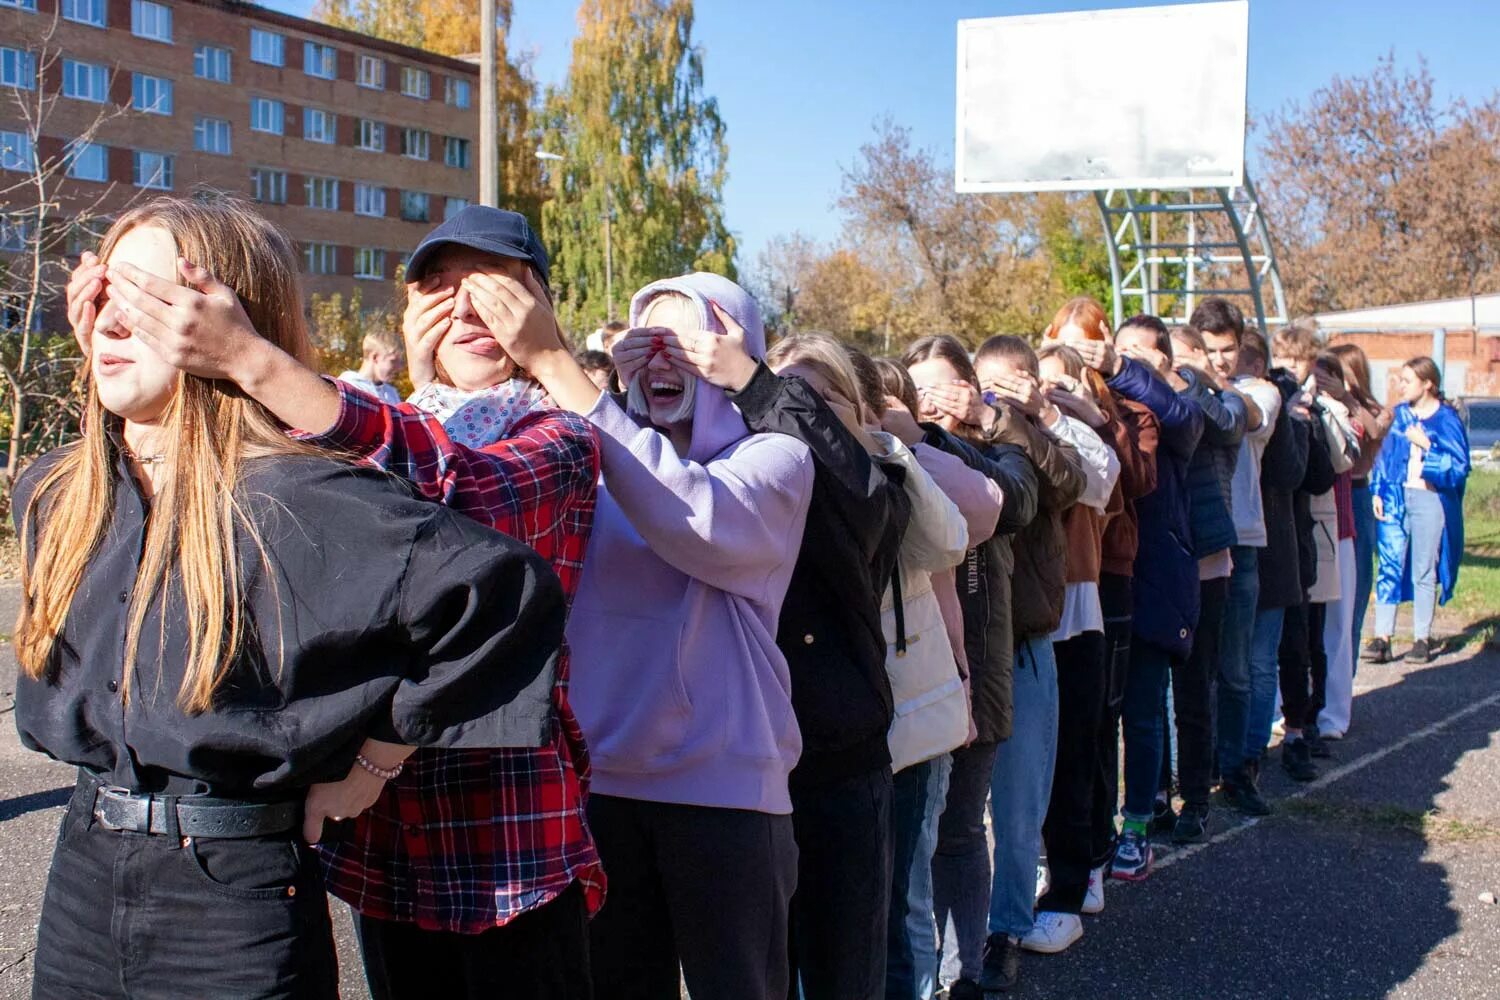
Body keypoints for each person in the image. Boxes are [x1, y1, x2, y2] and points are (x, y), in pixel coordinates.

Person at [31, 196, 570, 998]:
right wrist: (119, 354)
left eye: (151, 300)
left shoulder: (302, 497)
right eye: (109, 292)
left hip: (230, 901)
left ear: (221, 322)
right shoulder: (64, 492)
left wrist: (377, 760)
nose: (113, 317)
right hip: (82, 876)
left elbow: (498, 592)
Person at [485, 270, 816, 1000]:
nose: (660, 360)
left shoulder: (776, 460)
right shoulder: (583, 458)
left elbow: (692, 515)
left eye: (685, 341)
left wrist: (556, 366)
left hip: (728, 795)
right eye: (643, 341)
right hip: (601, 788)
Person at [844, 346, 1001, 1000]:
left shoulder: (907, 464)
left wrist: (908, 437)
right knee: (854, 901)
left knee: (905, 892)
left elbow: (982, 510)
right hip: (850, 721)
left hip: (920, 704)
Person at [902, 335, 1038, 1000]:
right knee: (919, 843)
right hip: (923, 676)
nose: (931, 406)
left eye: (943, 390)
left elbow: (1016, 496)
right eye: (916, 390)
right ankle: (932, 974)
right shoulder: (903, 454)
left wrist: (989, 421)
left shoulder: (997, 456)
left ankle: (969, 973)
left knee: (959, 829)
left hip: (981, 672)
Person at [1074, 315, 1203, 883]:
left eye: (1135, 353)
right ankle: (1096, 823)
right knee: (1099, 711)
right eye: (1115, 348)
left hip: (1154, 576)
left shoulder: (1169, 408)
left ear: (1164, 363)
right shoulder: (1095, 402)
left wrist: (1121, 369)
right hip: (1100, 574)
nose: (1117, 357)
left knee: (1143, 712)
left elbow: (1184, 418)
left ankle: (1138, 827)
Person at [1041, 298, 1158, 915]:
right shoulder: (1032, 407)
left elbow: (1130, 481)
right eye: (1062, 343)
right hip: (1049, 582)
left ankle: (1096, 850)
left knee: (1096, 721)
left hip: (1105, 573)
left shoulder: (1126, 411)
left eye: (1085, 348)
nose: (1070, 361)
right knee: (1056, 731)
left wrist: (1090, 413)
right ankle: (1065, 851)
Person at [1008, 342, 1120, 958]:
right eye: (1029, 381)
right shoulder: (998, 427)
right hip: (1018, 614)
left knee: (1074, 757)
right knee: (1026, 771)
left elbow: (1103, 478)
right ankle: (1045, 879)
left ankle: (1072, 892)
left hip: (1075, 613)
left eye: (1053, 382)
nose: (1036, 391)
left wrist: (1052, 415)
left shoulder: (1078, 435)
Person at [1195, 300, 1281, 816]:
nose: (1220, 359)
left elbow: (1246, 417)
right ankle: (1192, 772)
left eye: (1228, 349)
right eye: (1210, 350)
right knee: (1189, 668)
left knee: (1236, 668)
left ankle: (1237, 769)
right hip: (1196, 536)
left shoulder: (1258, 389)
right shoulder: (1187, 384)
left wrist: (1200, 378)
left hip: (1242, 539)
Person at [1162, 322, 1247, 842]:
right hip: (1158, 561)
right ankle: (1155, 796)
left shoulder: (1219, 399)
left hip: (1207, 557)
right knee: (1150, 696)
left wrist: (1187, 380)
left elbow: (1227, 425)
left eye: (1178, 355)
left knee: (1197, 687)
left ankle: (1196, 797)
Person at [1269, 323, 1339, 782]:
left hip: (1296, 541)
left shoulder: (1306, 408)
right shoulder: (1270, 401)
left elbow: (1318, 477)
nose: (1291, 371)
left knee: (1302, 643)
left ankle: (1300, 728)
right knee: (1264, 651)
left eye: (1300, 362)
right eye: (1285, 360)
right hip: (1268, 540)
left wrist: (1310, 422)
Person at [1368, 357, 1470, 664]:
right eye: (1400, 379)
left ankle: (1421, 639)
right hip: (1397, 496)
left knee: (1424, 570)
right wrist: (1378, 490)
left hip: (1430, 499)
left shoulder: (1446, 419)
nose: (1401, 385)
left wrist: (1427, 445)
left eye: (1407, 380)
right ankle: (1382, 637)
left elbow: (1459, 466)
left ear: (1427, 384)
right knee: (1390, 564)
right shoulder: (1398, 417)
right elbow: (1383, 458)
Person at [1328, 342, 1392, 735]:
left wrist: (1347, 398)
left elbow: (1373, 429)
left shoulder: (1376, 410)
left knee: (1353, 597)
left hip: (1355, 493)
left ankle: (1343, 686)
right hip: (1324, 494)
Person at [336, 326, 404, 403]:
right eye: (393, 361)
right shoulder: (348, 388)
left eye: (400, 362)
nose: (399, 368)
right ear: (375, 357)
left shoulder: (391, 394)